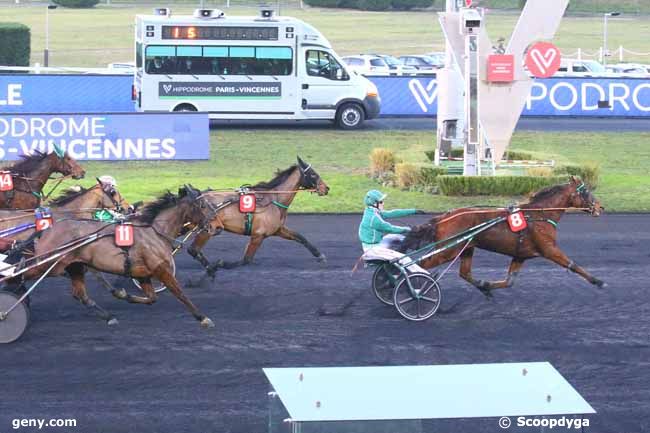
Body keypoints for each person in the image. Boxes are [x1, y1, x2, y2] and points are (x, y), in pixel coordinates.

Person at [358, 190, 422, 252]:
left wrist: (413, 211)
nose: (383, 203)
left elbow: (392, 213)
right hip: (373, 249)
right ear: (374, 203)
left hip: (376, 243)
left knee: (396, 236)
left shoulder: (371, 211)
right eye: (381, 202)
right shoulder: (374, 218)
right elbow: (390, 228)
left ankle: (415, 245)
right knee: (404, 259)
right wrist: (408, 229)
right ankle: (416, 246)